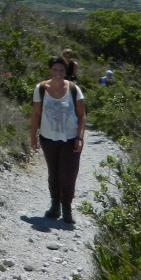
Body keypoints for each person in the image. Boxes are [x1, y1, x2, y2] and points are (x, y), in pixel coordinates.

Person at [30, 56, 86, 224]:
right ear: (50, 70)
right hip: (48, 138)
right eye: (55, 69)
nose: (58, 73)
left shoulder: (74, 89)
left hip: (70, 139)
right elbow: (36, 114)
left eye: (61, 70)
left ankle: (67, 207)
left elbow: (82, 115)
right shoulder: (40, 89)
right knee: (53, 173)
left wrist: (80, 137)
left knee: (68, 175)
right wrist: (33, 137)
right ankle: (55, 205)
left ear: (65, 71)